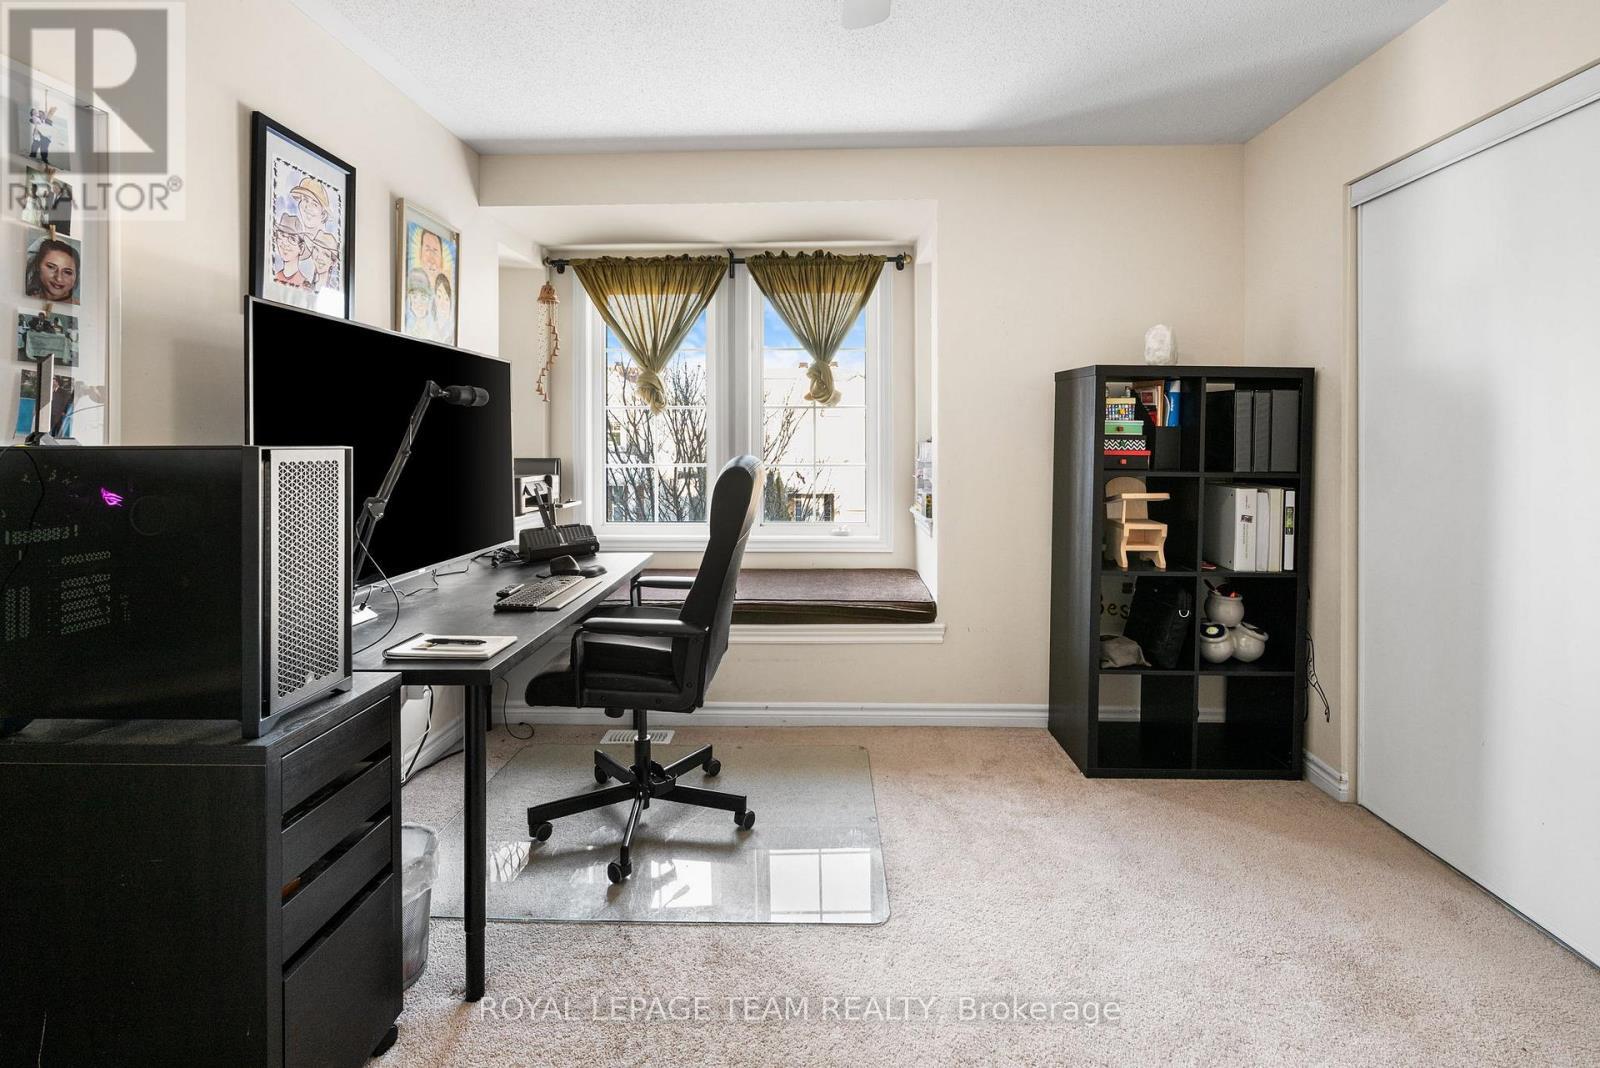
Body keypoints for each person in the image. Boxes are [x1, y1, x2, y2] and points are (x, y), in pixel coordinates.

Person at [24, 236, 79, 302]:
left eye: (67, 272)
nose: (59, 278)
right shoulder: (25, 301)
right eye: (51, 267)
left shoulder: (84, 309)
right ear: (37, 266)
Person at [271, 214, 311, 289]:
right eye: (282, 235)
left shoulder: (305, 286)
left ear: (301, 248)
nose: (285, 243)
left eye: (292, 239)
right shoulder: (274, 278)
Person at [403, 269, 433, 335]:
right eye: (414, 297)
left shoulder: (432, 329)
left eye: (423, 297)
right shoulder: (409, 327)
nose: (419, 304)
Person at [431, 272, 454, 342]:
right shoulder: (431, 327)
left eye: (447, 299)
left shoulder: (451, 331)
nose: (442, 304)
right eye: (439, 296)